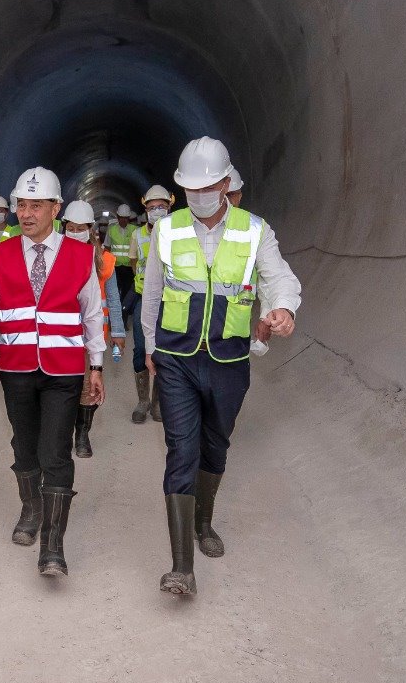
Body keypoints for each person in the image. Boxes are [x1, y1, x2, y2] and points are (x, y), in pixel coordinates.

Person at [142, 137, 300, 596]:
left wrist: (283, 308)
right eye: (190, 188)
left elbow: (278, 277)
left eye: (207, 187)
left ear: (226, 184)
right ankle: (181, 568)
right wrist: (151, 348)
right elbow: (152, 294)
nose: (198, 196)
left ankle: (203, 521)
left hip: (229, 360)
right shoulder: (167, 230)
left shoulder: (255, 231)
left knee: (215, 445)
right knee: (180, 449)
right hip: (176, 358)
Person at [0, 168, 104, 577]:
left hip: (64, 372)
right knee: (24, 445)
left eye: (36, 206)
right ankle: (31, 508)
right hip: (17, 368)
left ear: (55, 209)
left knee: (54, 451)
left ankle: (53, 544)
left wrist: (96, 365)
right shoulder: (1, 254)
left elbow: (93, 314)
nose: (25, 213)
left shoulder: (79, 256)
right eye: (21, 205)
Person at [62, 200, 124, 458]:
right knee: (63, 386)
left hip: (92, 336)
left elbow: (114, 299)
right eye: (71, 228)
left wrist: (118, 332)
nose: (76, 232)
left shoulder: (104, 261)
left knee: (89, 386)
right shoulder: (53, 255)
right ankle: (62, 430)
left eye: (81, 228)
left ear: (91, 230)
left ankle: (82, 434)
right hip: (60, 335)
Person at [128, 184, 174, 425]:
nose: (157, 211)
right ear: (145, 209)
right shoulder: (137, 235)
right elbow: (134, 262)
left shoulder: (177, 232)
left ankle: (157, 403)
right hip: (143, 297)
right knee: (140, 348)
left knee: (164, 349)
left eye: (161, 206)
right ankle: (143, 401)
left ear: (170, 207)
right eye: (152, 207)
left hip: (170, 300)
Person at [105, 204, 138, 333]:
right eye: (121, 217)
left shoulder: (135, 231)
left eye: (126, 218)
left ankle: (123, 321)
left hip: (129, 268)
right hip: (115, 268)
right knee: (114, 295)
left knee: (125, 296)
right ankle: (113, 321)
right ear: (117, 217)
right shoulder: (111, 230)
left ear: (129, 218)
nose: (123, 220)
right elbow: (107, 248)